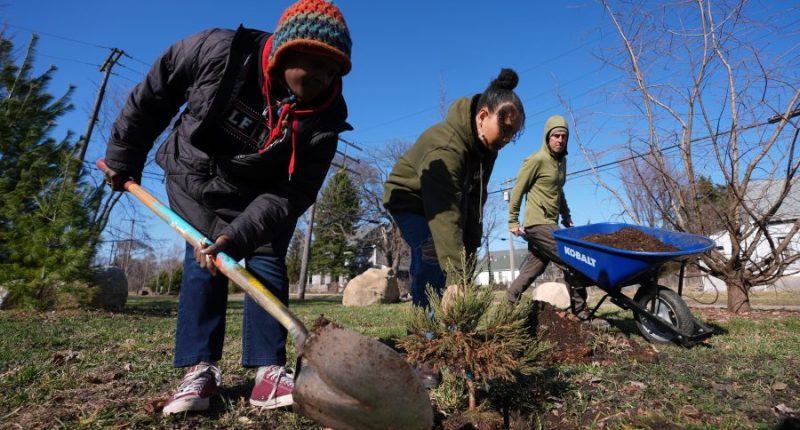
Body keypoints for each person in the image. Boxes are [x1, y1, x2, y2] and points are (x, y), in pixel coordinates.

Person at [101, 0, 352, 416]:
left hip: (265, 193)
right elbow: (153, 97)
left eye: (334, 71)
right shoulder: (217, 52)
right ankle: (199, 369)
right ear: (286, 51)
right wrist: (124, 156)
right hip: (197, 177)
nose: (324, 78)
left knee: (268, 257)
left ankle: (269, 371)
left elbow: (296, 191)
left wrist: (242, 234)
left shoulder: (327, 116)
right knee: (204, 256)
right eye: (316, 64)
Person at [383, 69, 525, 309]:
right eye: (506, 129)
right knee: (431, 251)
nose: (508, 139)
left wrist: (469, 250)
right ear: (482, 116)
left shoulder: (487, 149)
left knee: (458, 259)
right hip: (410, 199)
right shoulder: (447, 147)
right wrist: (455, 277)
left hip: (446, 200)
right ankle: (425, 330)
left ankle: (449, 327)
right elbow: (445, 214)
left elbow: (475, 199)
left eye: (514, 133)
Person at [505, 116, 588, 317]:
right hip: (538, 223)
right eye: (555, 136)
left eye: (563, 136)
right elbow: (518, 190)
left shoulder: (562, 163)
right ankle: (583, 313)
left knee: (534, 268)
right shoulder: (536, 160)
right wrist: (513, 220)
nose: (560, 140)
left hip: (550, 222)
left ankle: (509, 304)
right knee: (571, 259)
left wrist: (566, 215)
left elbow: (559, 192)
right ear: (547, 138)